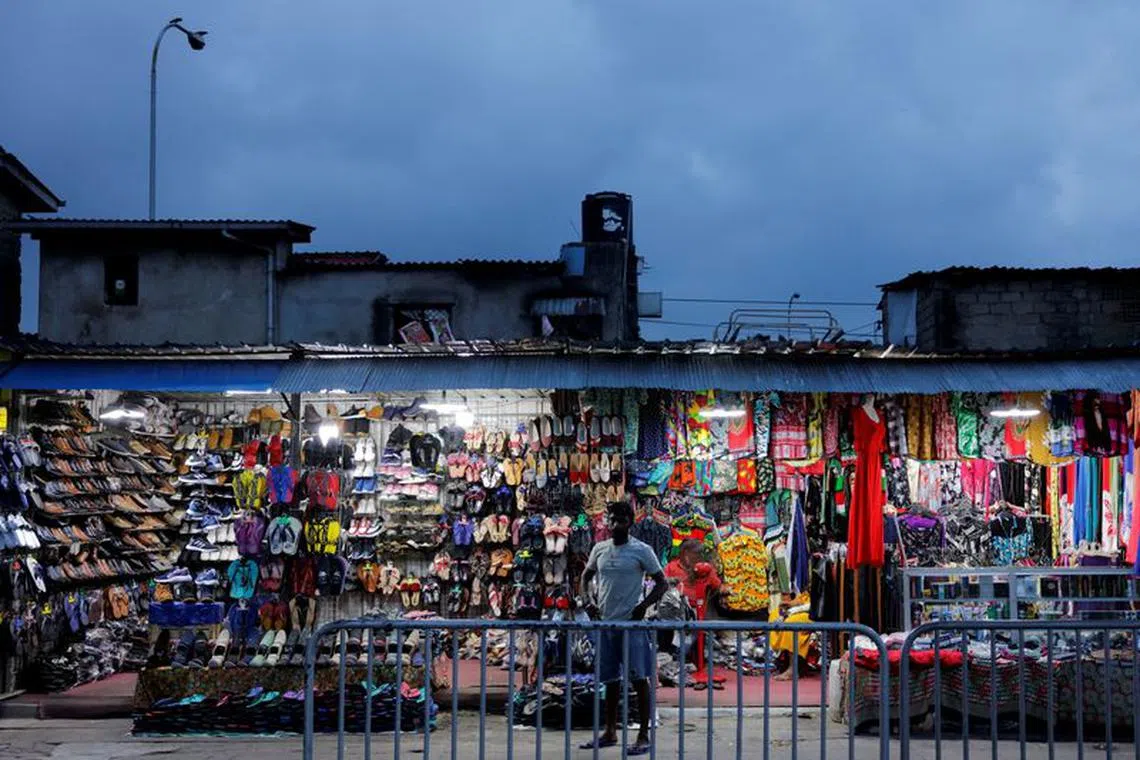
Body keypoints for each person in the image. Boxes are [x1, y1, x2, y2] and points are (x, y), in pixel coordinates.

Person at [579, 501, 668, 756]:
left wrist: (643, 607)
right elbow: (585, 577)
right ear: (607, 521)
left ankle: (643, 734)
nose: (616, 523)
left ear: (630, 521)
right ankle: (610, 731)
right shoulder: (600, 548)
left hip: (633, 624)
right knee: (610, 680)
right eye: (612, 518)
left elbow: (662, 584)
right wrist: (588, 602)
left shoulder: (642, 550)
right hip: (607, 623)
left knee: (640, 679)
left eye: (621, 518)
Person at [663, 539, 730, 688]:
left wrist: (725, 590)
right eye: (696, 553)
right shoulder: (671, 567)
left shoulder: (706, 568)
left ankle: (690, 664)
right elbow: (662, 584)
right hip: (676, 610)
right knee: (684, 633)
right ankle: (678, 663)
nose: (699, 556)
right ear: (685, 554)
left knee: (695, 632)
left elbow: (718, 586)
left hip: (696, 611)